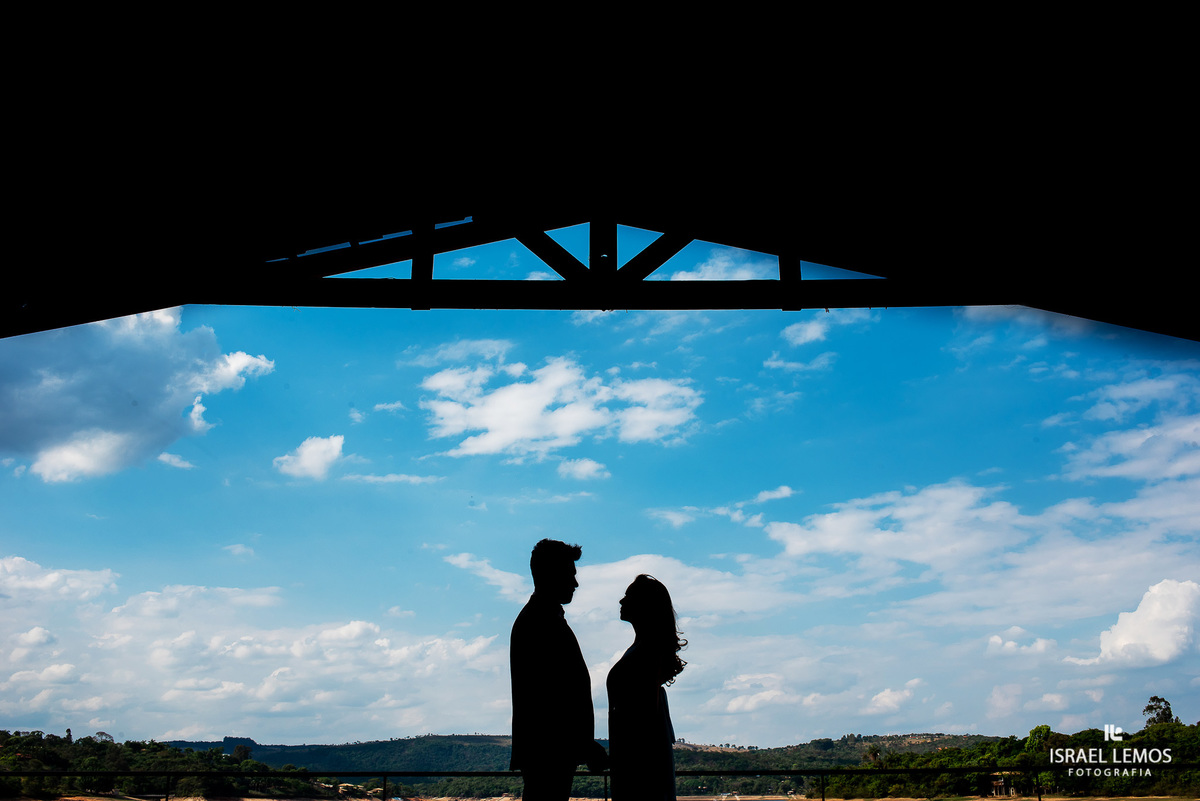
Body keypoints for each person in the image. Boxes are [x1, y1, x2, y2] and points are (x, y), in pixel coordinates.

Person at [510, 539, 608, 800]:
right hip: (549, 753)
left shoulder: (542, 618)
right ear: (551, 574)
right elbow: (551, 697)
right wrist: (584, 745)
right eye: (570, 575)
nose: (575, 584)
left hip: (550, 752)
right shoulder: (540, 622)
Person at [606, 574, 687, 801]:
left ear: (645, 605)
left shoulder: (645, 654)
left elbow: (643, 720)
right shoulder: (645, 650)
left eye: (628, 596)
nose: (621, 602)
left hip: (639, 770)